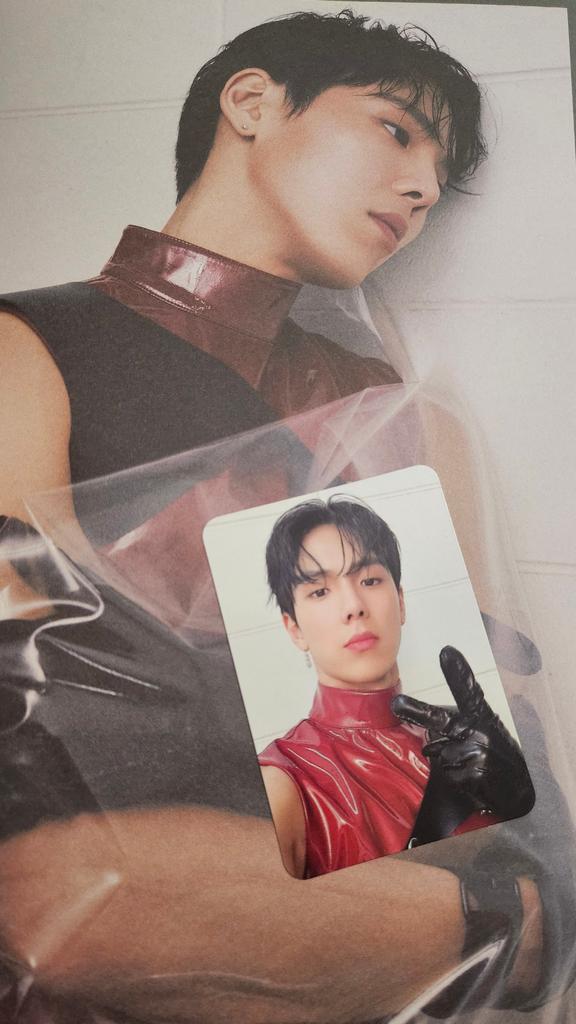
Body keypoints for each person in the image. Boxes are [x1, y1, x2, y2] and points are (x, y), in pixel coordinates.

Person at [0, 9, 571, 1024]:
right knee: (59, 893)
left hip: (353, 874)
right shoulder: (27, 345)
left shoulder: (400, 412)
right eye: (397, 129)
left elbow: (480, 759)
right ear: (252, 102)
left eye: (441, 176)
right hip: (112, 874)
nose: (422, 188)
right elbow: (32, 733)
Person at [259, 496, 534, 878]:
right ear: (294, 629)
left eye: (369, 580)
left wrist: (525, 801)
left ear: (400, 601)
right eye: (319, 591)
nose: (353, 606)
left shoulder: (473, 736)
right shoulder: (284, 781)